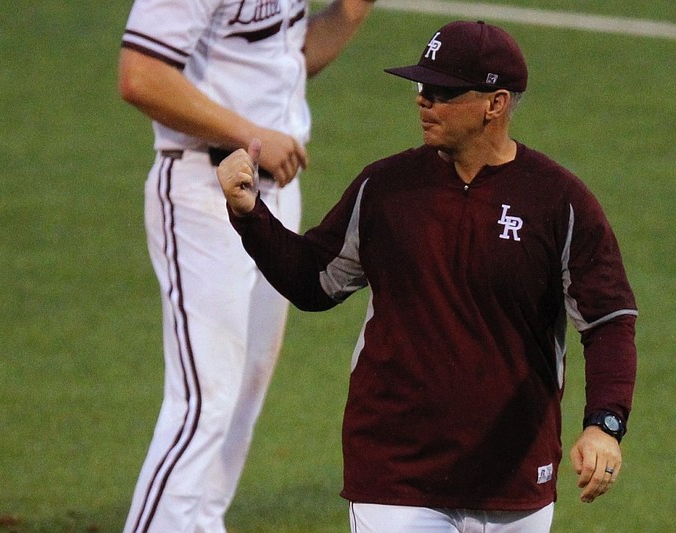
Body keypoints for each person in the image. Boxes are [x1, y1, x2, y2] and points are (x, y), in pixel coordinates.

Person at [217, 20, 638, 533]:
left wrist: (604, 426)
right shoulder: (385, 188)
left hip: (513, 478)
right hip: (397, 475)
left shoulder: (558, 201)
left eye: (442, 91)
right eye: (421, 87)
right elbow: (315, 280)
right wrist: (249, 214)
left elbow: (609, 321)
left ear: (495, 103)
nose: (424, 101)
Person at [116, 0, 374, 530]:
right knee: (203, 400)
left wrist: (351, 12)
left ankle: (201, 522)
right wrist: (248, 134)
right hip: (200, 189)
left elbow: (280, 56)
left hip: (271, 195)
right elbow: (140, 76)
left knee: (243, 392)